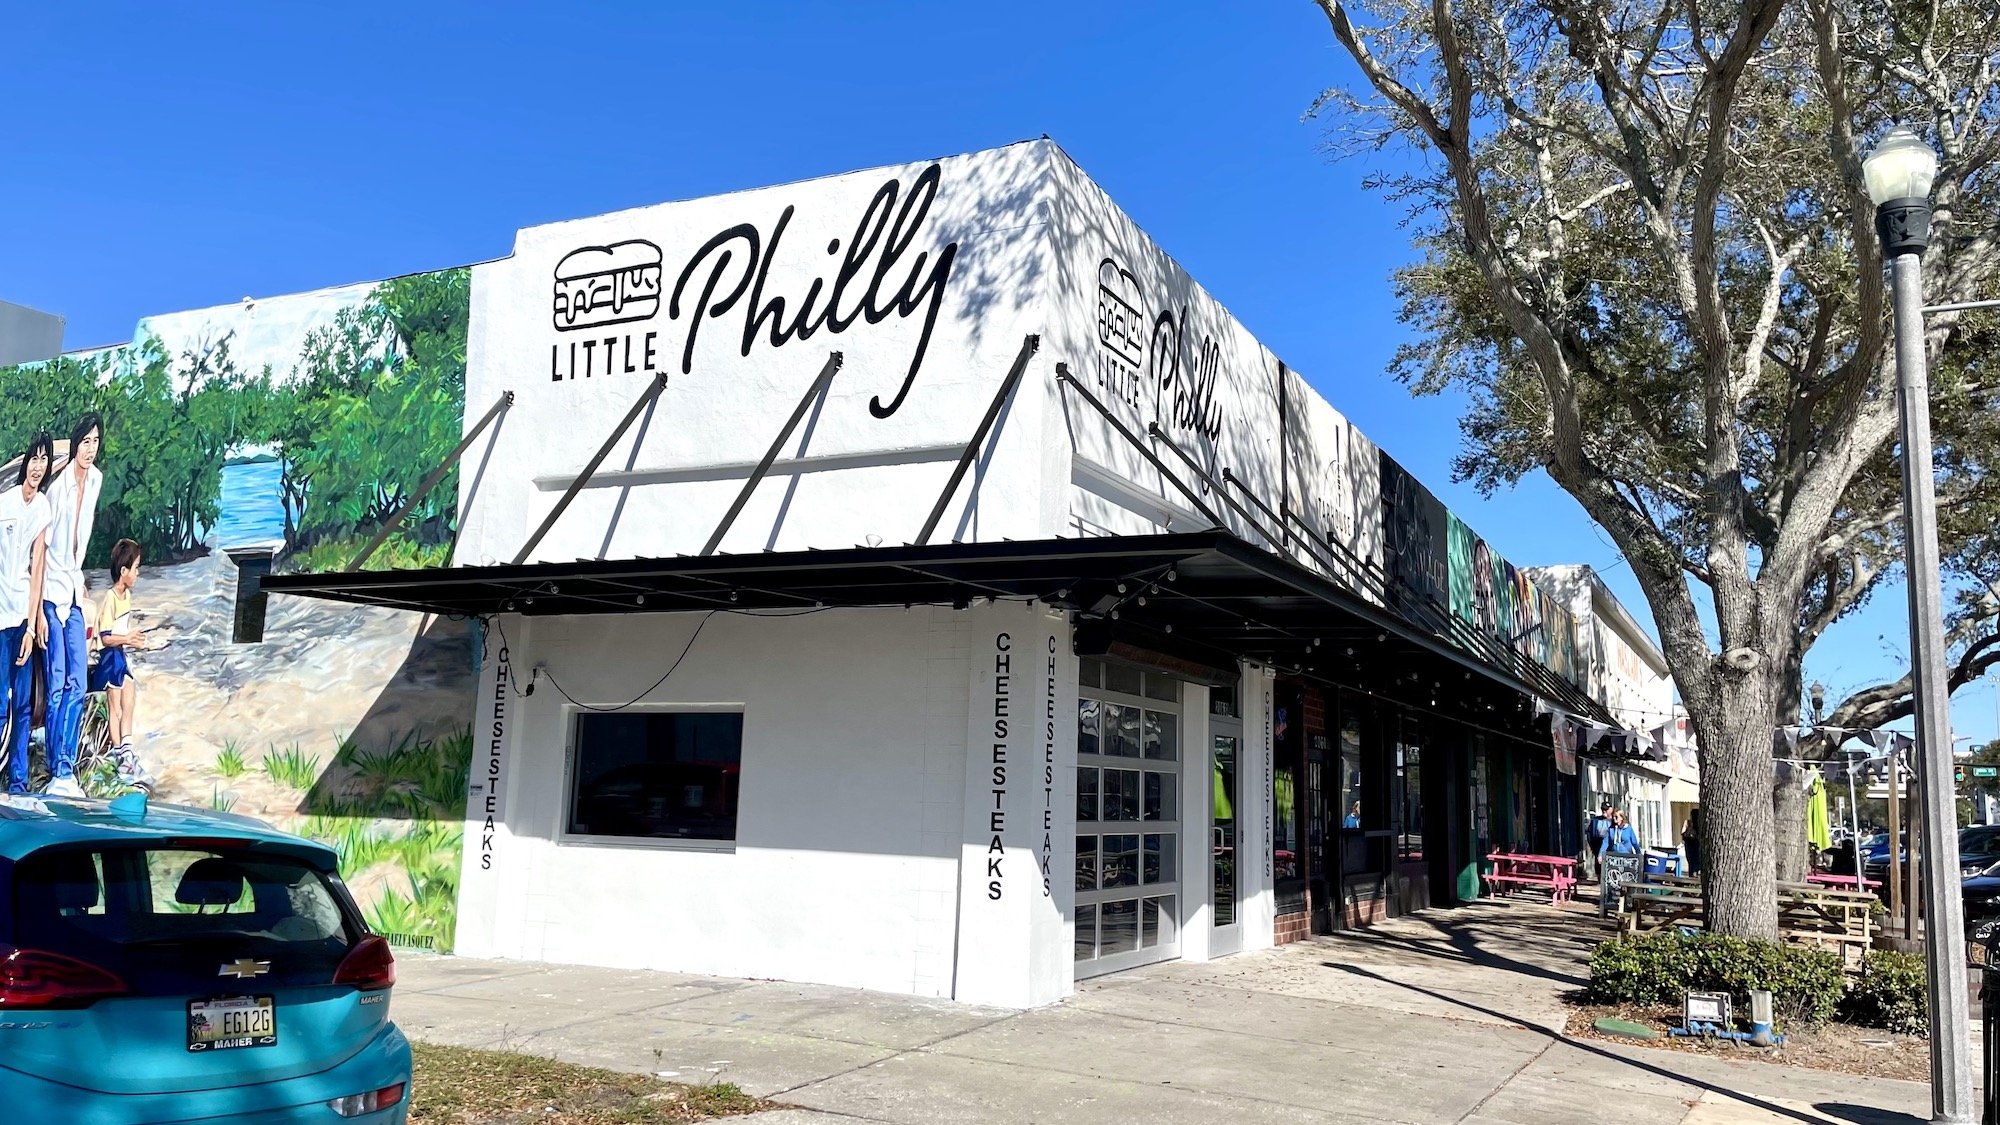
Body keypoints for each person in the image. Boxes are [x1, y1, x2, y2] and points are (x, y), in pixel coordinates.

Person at [38, 413, 103, 798]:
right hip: (50, 592)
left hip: (74, 588)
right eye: (85, 441)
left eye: (95, 441)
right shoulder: (57, 489)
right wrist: (40, 615)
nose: (90, 449)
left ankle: (66, 766)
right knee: (58, 683)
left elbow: (79, 546)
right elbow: (42, 552)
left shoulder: (94, 481)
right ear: (76, 443)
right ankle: (56, 768)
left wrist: (81, 589)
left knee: (79, 680)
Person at [1, 433, 54, 796]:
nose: (38, 466)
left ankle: (17, 784)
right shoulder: (4, 502)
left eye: (44, 460)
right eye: (34, 459)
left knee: (21, 704)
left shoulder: (43, 508)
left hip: (21, 616)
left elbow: (38, 570)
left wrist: (33, 626)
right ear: (26, 462)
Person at [89, 538, 153, 789]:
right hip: (109, 657)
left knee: (130, 699)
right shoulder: (111, 597)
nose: (137, 573)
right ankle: (119, 756)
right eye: (135, 568)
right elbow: (105, 636)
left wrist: (132, 640)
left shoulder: (127, 596)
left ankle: (127, 750)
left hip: (120, 655)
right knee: (114, 707)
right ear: (123, 571)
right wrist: (127, 638)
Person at [1585, 802, 1613, 878]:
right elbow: (1589, 832)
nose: (1604, 811)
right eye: (1603, 809)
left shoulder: (1615, 820)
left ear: (1611, 809)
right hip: (1597, 843)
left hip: (1611, 845)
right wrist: (1591, 844)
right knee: (1598, 863)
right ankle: (1600, 879)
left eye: (1606, 809)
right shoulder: (1595, 820)